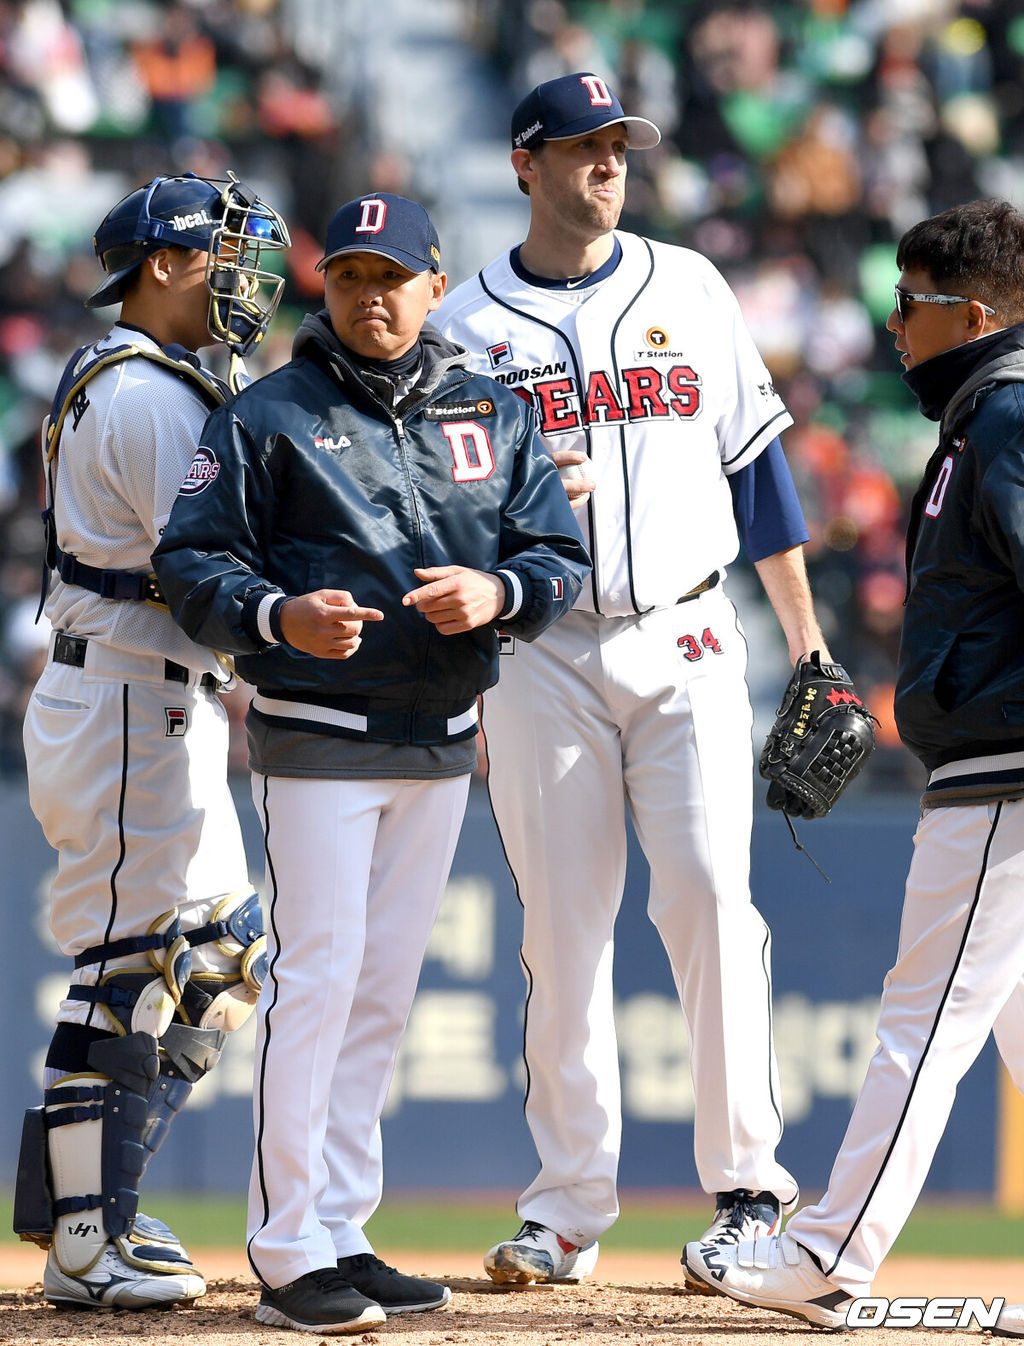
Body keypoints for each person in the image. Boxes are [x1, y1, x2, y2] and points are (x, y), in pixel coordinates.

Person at [151, 191, 591, 1335]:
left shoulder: (490, 410)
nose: (371, 294)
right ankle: (290, 1243)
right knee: (320, 980)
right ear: (324, 288)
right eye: (349, 276)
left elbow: (555, 552)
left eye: (392, 275)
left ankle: (343, 1223)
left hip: (442, 738)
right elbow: (190, 561)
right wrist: (274, 614)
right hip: (318, 736)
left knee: (382, 993)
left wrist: (500, 591)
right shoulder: (269, 413)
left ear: (435, 285)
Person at [436, 70, 834, 1287]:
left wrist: (808, 642)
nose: (607, 163)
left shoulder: (691, 285)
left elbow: (759, 479)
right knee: (561, 932)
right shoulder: (463, 322)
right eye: (582, 146)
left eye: (618, 144)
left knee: (713, 896)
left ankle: (751, 1190)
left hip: (688, 630)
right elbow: (446, 510)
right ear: (525, 162)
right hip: (538, 648)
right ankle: (564, 1210)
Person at [683, 199, 1024, 1336]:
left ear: (970, 312)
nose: (889, 323)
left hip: (1006, 765)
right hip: (993, 754)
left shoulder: (1010, 412)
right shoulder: (989, 411)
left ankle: (829, 1253)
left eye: (910, 302)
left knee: (921, 1017)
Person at [12, 172, 290, 1309]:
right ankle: (84, 1235)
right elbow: (206, 569)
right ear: (168, 262)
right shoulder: (143, 395)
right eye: (225, 253)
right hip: (130, 694)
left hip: (152, 696)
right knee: (130, 964)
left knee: (217, 954)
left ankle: (99, 1198)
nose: (247, 277)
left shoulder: (164, 383)